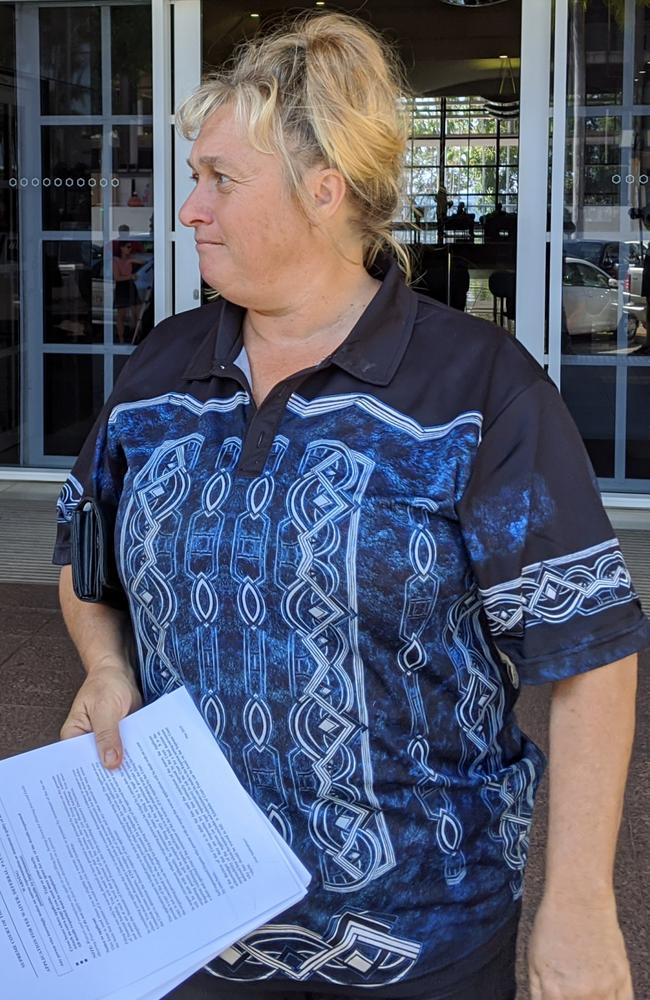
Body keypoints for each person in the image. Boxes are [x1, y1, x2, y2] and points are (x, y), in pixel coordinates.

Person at [53, 13, 649, 1000]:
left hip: (414, 946)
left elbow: (588, 651)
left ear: (322, 191)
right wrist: (109, 668)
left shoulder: (475, 392)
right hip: (182, 922)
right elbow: (86, 558)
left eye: (219, 179)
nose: (187, 208)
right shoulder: (161, 371)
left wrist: (577, 898)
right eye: (192, 177)